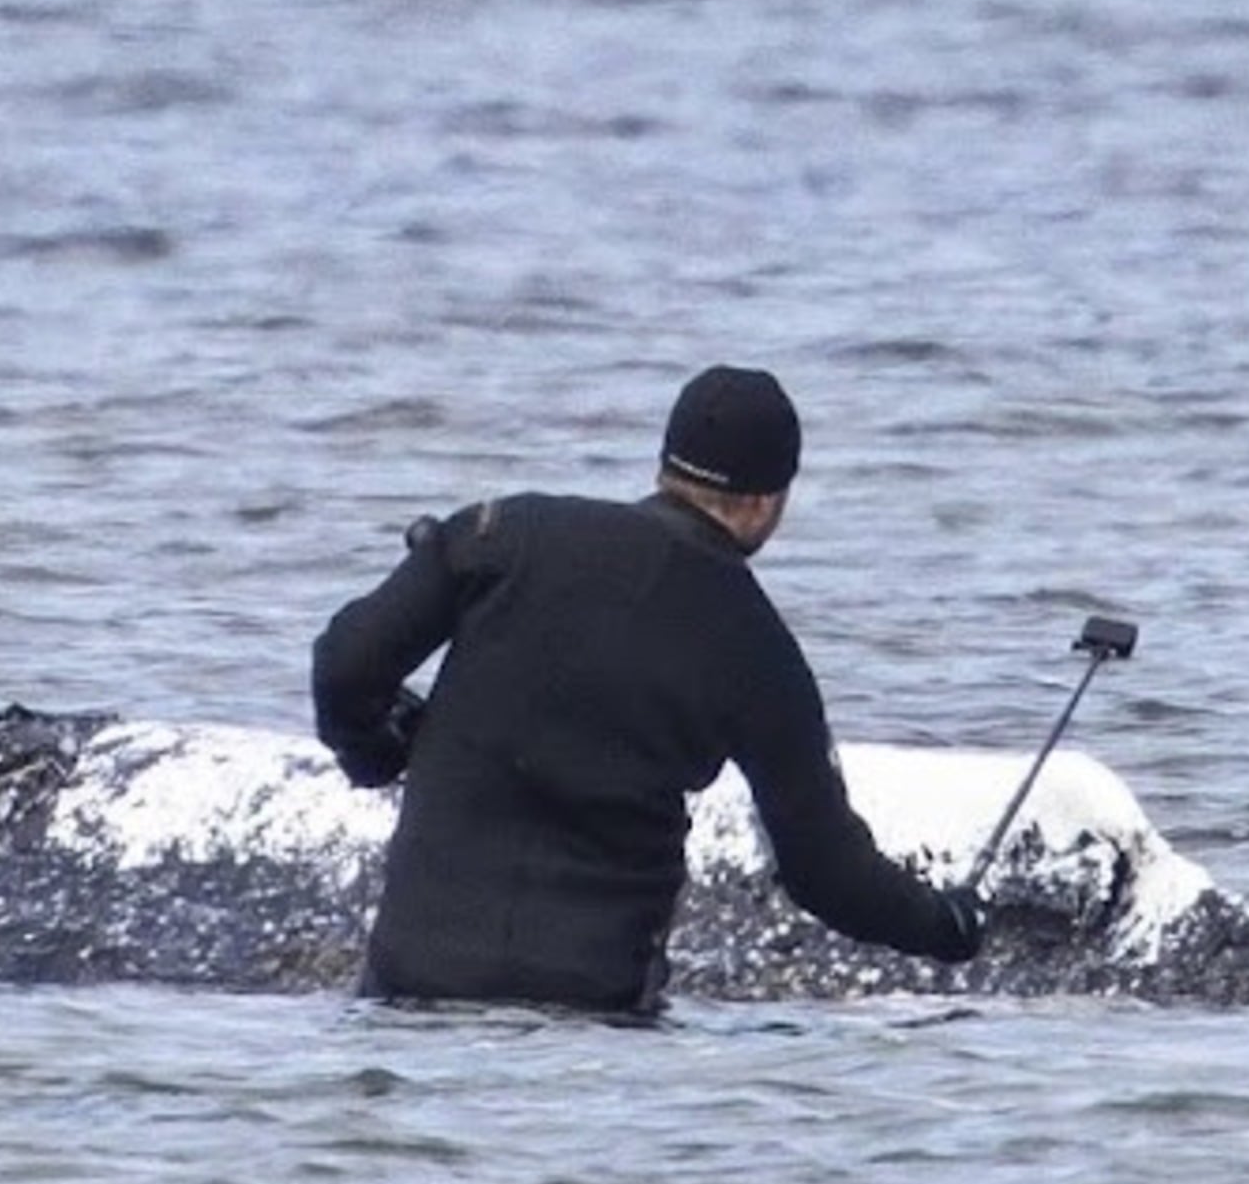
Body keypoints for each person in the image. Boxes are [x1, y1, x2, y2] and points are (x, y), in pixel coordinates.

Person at [309, 364, 983, 1013]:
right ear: (767, 502)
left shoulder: (502, 533)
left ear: (665, 464)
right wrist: (946, 923)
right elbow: (825, 872)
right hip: (593, 1019)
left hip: (412, 991)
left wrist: (375, 749)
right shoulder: (755, 646)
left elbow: (345, 665)